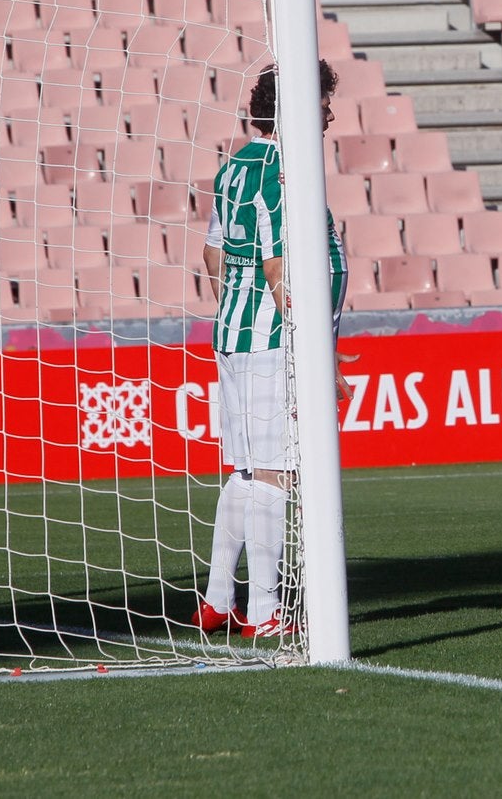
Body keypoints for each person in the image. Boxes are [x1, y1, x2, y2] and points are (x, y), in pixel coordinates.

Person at [194, 60, 351, 637]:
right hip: (273, 343)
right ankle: (263, 611)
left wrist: (240, 306)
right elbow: (280, 266)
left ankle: (217, 598)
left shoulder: (233, 167)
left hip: (235, 337)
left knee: (244, 471)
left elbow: (213, 255)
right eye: (322, 102)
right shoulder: (284, 171)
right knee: (272, 474)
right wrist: (309, 348)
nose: (329, 113)